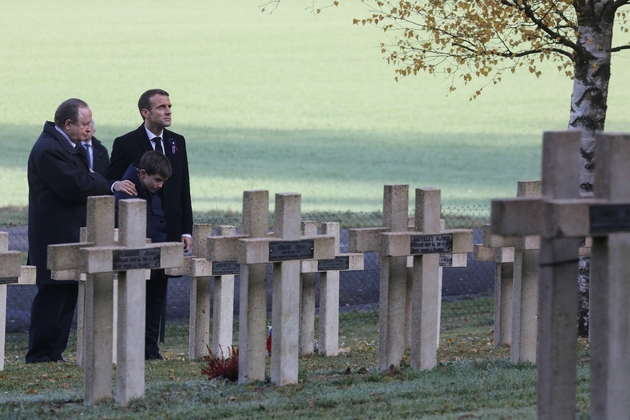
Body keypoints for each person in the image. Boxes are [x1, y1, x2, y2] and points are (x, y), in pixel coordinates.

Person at [106, 88, 193, 360]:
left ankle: (149, 349)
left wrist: (185, 229)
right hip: (138, 229)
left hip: (168, 230)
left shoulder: (177, 142)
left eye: (169, 106)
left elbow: (182, 189)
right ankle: (128, 347)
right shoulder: (126, 142)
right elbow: (111, 181)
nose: (168, 111)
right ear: (146, 112)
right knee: (134, 289)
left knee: (157, 289)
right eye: (161, 107)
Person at [26, 98, 111, 363]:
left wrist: (93, 178)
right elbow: (75, 186)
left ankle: (55, 353)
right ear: (68, 123)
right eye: (84, 123)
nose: (89, 128)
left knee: (67, 297)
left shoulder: (66, 146)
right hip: (54, 237)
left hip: (71, 235)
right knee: (51, 298)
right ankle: (40, 354)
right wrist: (100, 179)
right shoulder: (49, 149)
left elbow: (86, 180)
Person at [114, 150, 171, 246]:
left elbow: (161, 231)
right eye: (157, 180)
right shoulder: (122, 198)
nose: (160, 185)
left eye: (163, 182)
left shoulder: (155, 200)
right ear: (143, 173)